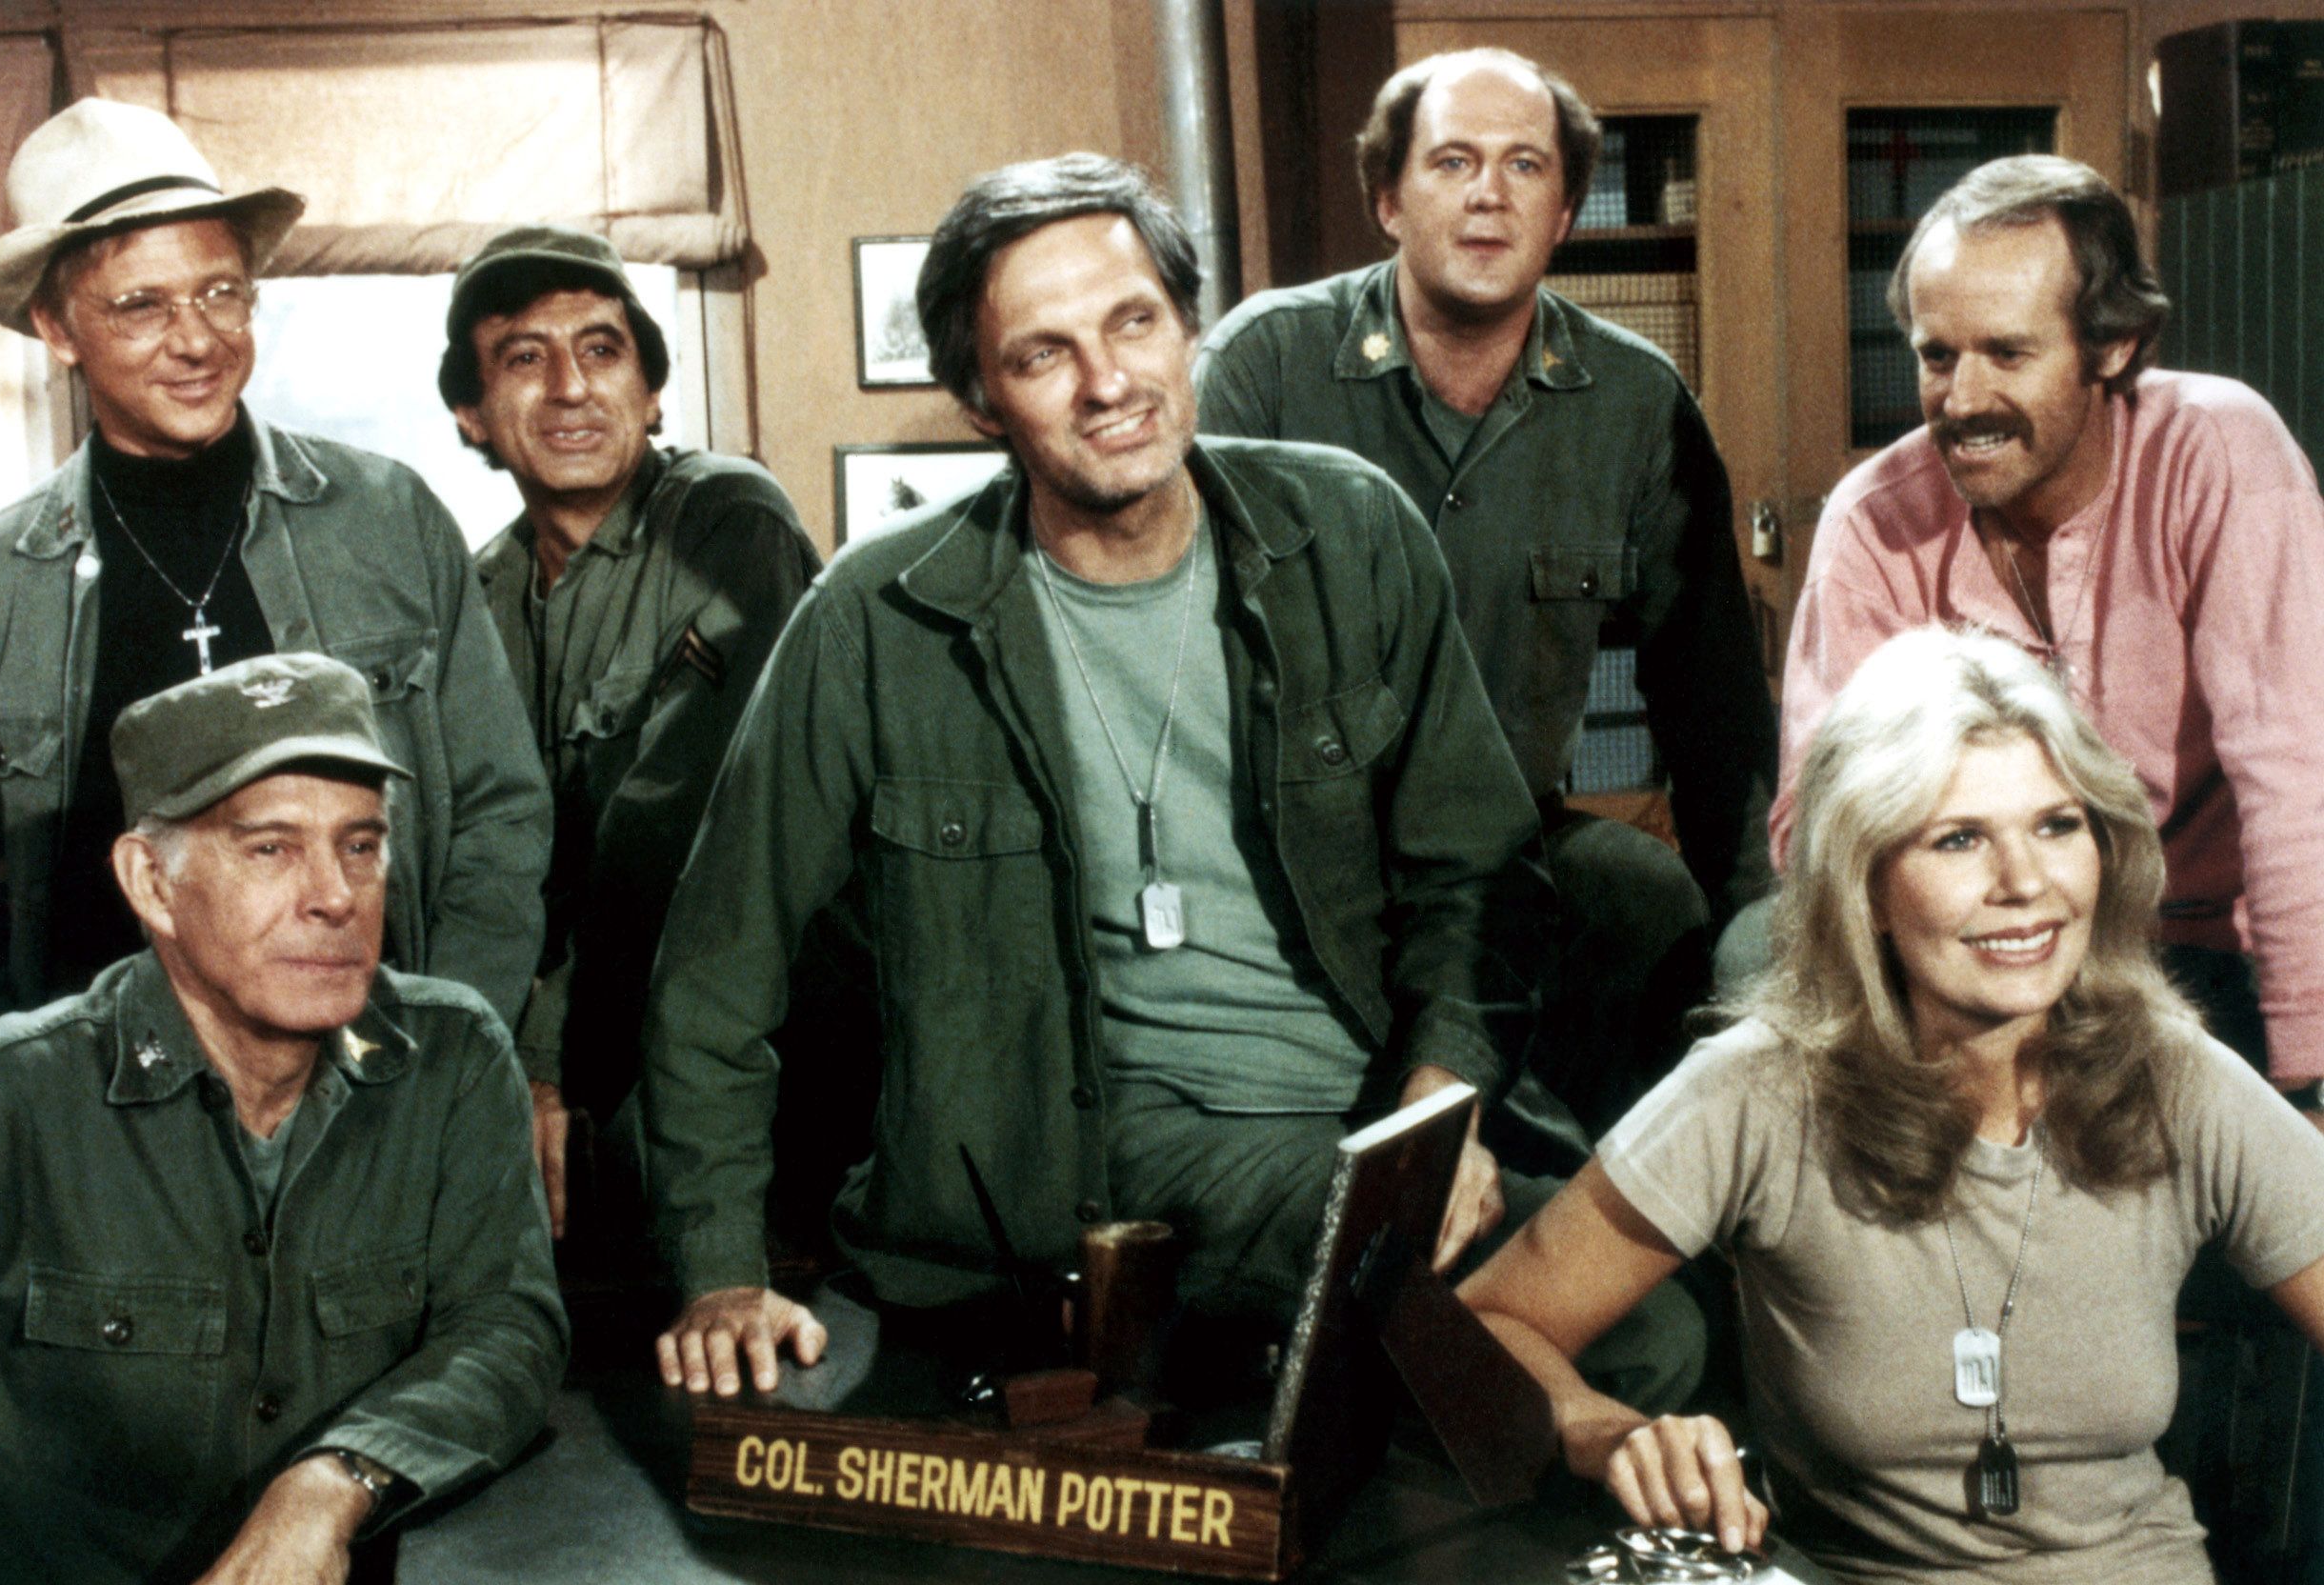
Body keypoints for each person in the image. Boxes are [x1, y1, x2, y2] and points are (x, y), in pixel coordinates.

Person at [643, 152, 1593, 1402]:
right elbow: (717, 971)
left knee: (1650, 1313)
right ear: (983, 399)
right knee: (1525, 1345)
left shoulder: (1352, 535)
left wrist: (1436, 1104)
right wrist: (719, 1266)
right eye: (1043, 355)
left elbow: (1479, 871)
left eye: (1135, 322)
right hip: (1094, 1149)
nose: (1109, 384)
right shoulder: (875, 618)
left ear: (1189, 329)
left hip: (1370, 1103)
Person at [1463, 626, 2324, 1585]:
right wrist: (1607, 1429)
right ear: (1867, 877)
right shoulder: (1760, 1089)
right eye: (1957, 839)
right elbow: (1485, 1323)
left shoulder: (2168, 1070)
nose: (2024, 883)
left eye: (2055, 824)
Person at [0, 652, 567, 1585]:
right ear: (152, 879)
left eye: (361, 844)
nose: (335, 896)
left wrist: (326, 1488)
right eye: (271, 848)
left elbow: (507, 1324)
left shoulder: (449, 1058)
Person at [1196, 47, 1775, 1135]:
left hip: (1507, 854)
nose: (1486, 195)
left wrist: (1760, 963)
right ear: (1385, 197)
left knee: (1652, 908)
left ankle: (1605, 1233)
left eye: (1523, 166)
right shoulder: (1264, 368)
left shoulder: (1637, 406)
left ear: (1562, 213)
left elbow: (1714, 717)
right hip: (1288, 861)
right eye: (1452, 161)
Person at [0, 96, 550, 1054]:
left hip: (371, 1083)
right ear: (57, 326)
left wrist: (443, 1052)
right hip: (97, 1116)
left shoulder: (389, 520)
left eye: (219, 292)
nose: (197, 340)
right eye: (142, 305)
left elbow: (500, 812)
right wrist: (1, 1113)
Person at [1773, 153, 2324, 1134]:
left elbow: (2295, 782)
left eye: (2005, 354)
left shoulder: (2220, 453)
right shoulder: (1872, 519)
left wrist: (2309, 1080)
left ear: (2112, 347)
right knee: (1758, 974)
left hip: (2198, 948)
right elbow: (1816, 825)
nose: (1960, 398)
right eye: (1935, 356)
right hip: (1975, 945)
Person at [439, 225, 821, 1238]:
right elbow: (480, 855)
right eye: (525, 357)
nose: (570, 387)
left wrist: (544, 1057)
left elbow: (677, 826)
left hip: (755, 1031)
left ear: (652, 394)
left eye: (602, 351)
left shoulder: (728, 519)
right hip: (570, 1031)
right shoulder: (473, 597)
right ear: (471, 416)